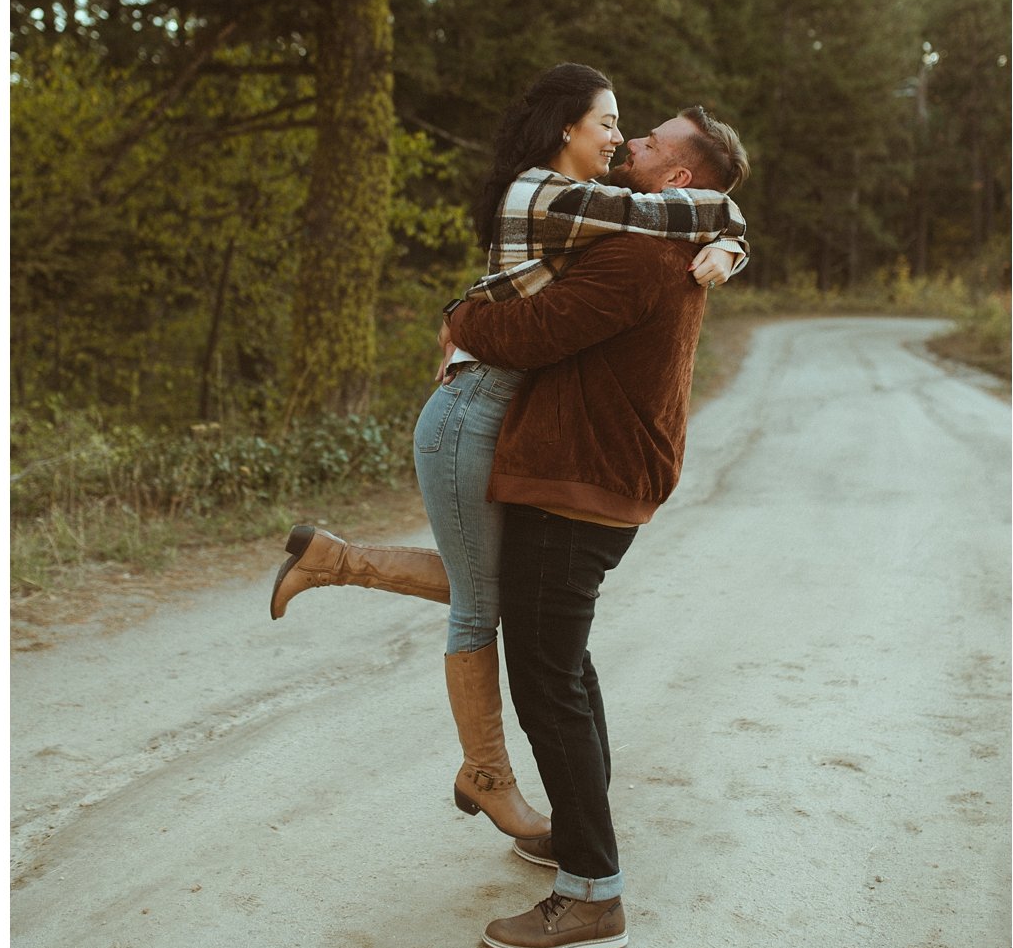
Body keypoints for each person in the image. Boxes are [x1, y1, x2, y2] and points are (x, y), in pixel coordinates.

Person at [270, 64, 747, 851]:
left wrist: (728, 239)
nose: (624, 138)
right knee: (480, 603)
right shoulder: (549, 192)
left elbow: (673, 215)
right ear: (566, 127)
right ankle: (484, 774)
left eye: (640, 134)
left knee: (488, 587)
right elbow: (654, 222)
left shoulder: (601, 216)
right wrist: (461, 314)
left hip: (496, 404)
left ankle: (333, 560)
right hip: (473, 404)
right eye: (610, 123)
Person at [441, 106, 749, 948]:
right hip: (592, 474)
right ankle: (578, 835)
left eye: (649, 142)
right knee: (562, 663)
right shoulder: (661, 237)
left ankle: (591, 892)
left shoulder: (638, 251)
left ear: (679, 178)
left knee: (546, 679)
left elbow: (537, 333)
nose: (630, 144)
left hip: (582, 480)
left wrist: (460, 318)